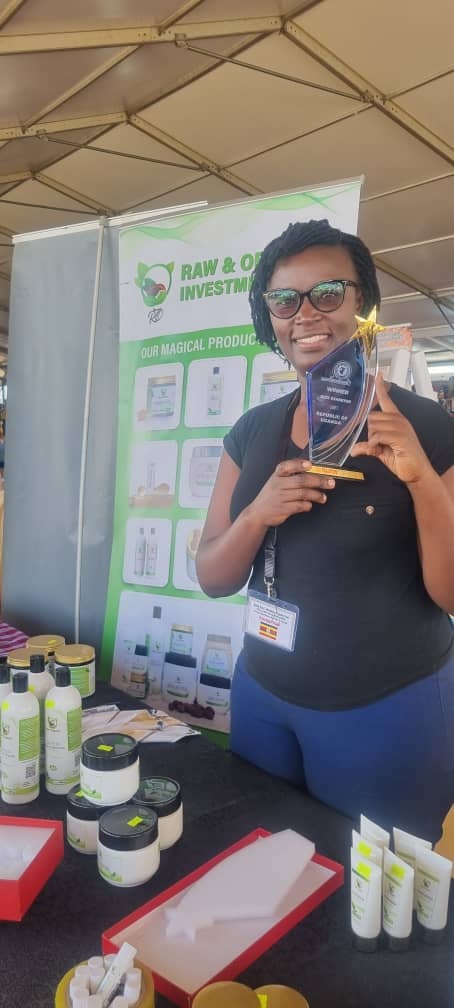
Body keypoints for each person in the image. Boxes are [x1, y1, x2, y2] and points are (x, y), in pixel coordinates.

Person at [196, 218, 454, 843]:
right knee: (267, 871)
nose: (305, 314)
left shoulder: (428, 427)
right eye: (285, 300)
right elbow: (212, 576)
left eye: (328, 292)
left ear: (362, 301)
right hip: (264, 696)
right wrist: (258, 512)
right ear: (271, 317)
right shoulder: (253, 431)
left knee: (371, 904)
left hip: (385, 711)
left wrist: (421, 477)